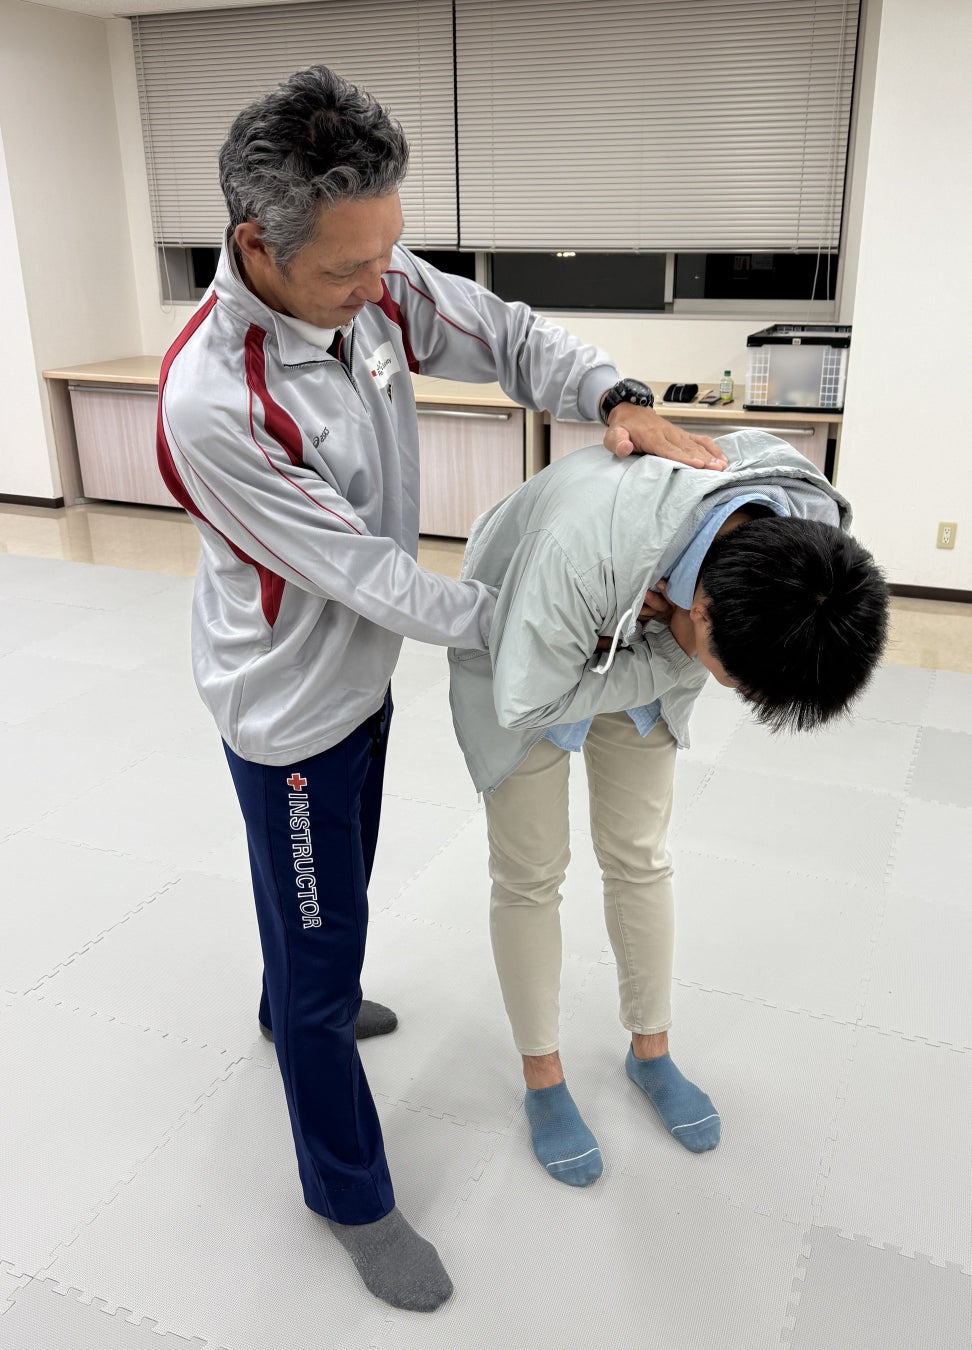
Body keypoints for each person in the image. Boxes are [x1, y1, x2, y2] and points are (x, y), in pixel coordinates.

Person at [156, 63, 728, 1313]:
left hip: (360, 685)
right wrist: (557, 624)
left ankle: (291, 997)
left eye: (388, 255)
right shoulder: (214, 403)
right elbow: (374, 581)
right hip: (290, 710)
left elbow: (508, 335)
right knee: (323, 957)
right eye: (348, 272)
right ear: (255, 245)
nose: (382, 290)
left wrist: (620, 399)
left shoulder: (369, 273)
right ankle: (349, 1196)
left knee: (330, 902)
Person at [448, 428, 888, 1188]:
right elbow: (529, 696)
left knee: (641, 856)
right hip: (525, 641)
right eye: (730, 675)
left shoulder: (802, 529)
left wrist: (664, 647)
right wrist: (662, 653)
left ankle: (650, 1051)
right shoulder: (578, 550)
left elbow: (696, 650)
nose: (731, 688)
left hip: (653, 627)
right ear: (704, 611)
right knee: (529, 872)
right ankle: (543, 1078)